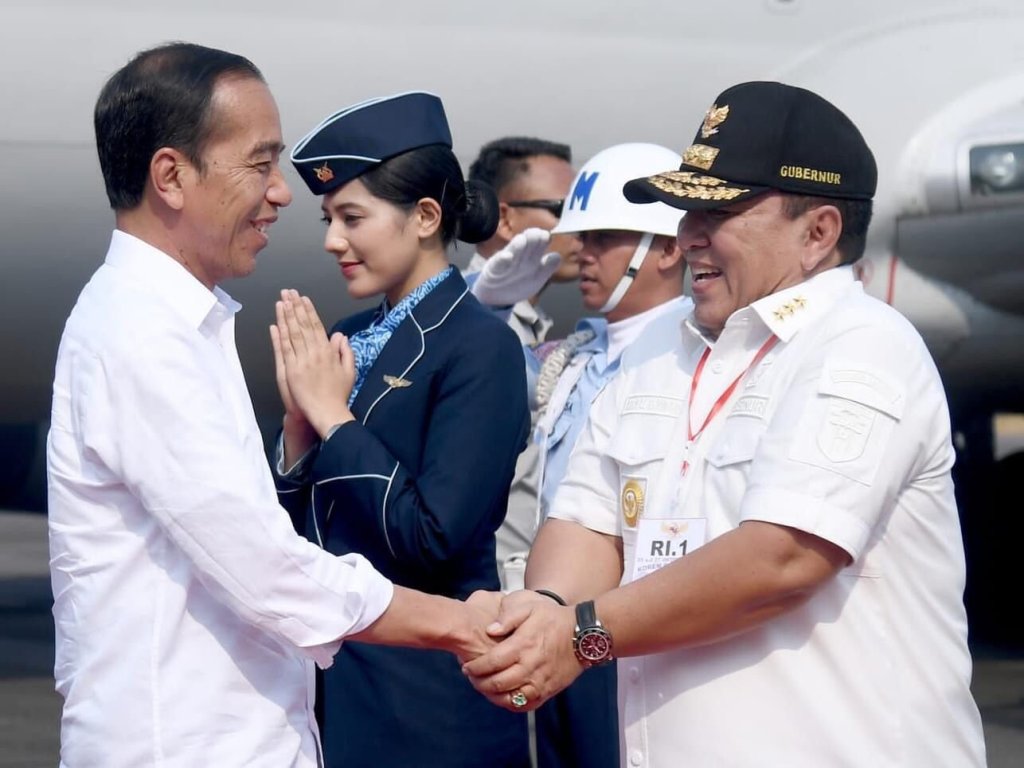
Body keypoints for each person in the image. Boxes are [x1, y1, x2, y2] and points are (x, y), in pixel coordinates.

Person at [463, 81, 987, 766]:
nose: (689, 235)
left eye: (719, 211)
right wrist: (545, 608)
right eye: (687, 210)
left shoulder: (862, 345)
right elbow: (587, 521)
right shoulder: (656, 347)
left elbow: (781, 560)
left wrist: (581, 634)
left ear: (818, 232)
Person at [46, 44, 496, 768]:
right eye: (259, 165)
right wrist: (461, 624)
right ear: (172, 176)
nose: (281, 194)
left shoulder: (183, 323)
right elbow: (264, 567)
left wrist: (302, 432)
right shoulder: (141, 335)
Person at [278, 91, 531, 768]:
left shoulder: (481, 346)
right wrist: (298, 433)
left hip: (426, 706)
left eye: (352, 217)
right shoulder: (350, 334)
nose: (333, 240)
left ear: (424, 216)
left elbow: (434, 537)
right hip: (330, 692)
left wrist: (334, 420)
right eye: (329, 218)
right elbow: (299, 537)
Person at [524, 143, 693, 768]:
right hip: (559, 610)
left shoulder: (691, 354)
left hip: (633, 623)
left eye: (604, 238)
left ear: (668, 248)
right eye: (582, 237)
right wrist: (492, 303)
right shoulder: (576, 353)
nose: (583, 254)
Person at [464, 137, 582, 592]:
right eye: (564, 209)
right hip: (483, 593)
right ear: (505, 217)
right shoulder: (464, 317)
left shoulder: (524, 320)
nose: (583, 226)